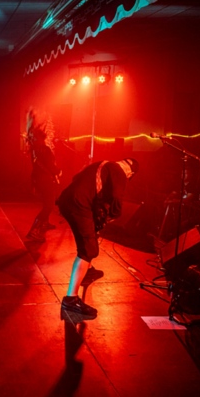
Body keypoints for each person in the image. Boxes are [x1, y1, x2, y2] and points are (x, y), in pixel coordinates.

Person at [57, 158, 139, 318]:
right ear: (131, 173)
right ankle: (70, 300)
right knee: (89, 250)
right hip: (79, 205)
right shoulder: (121, 172)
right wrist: (112, 215)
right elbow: (116, 198)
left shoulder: (103, 164)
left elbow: (78, 178)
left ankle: (87, 271)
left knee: (90, 235)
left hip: (67, 200)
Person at [25, 107, 61, 242]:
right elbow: (51, 166)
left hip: (39, 180)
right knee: (48, 206)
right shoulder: (45, 149)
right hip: (45, 180)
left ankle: (44, 223)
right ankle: (34, 231)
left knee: (47, 203)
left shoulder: (35, 148)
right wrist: (58, 171)